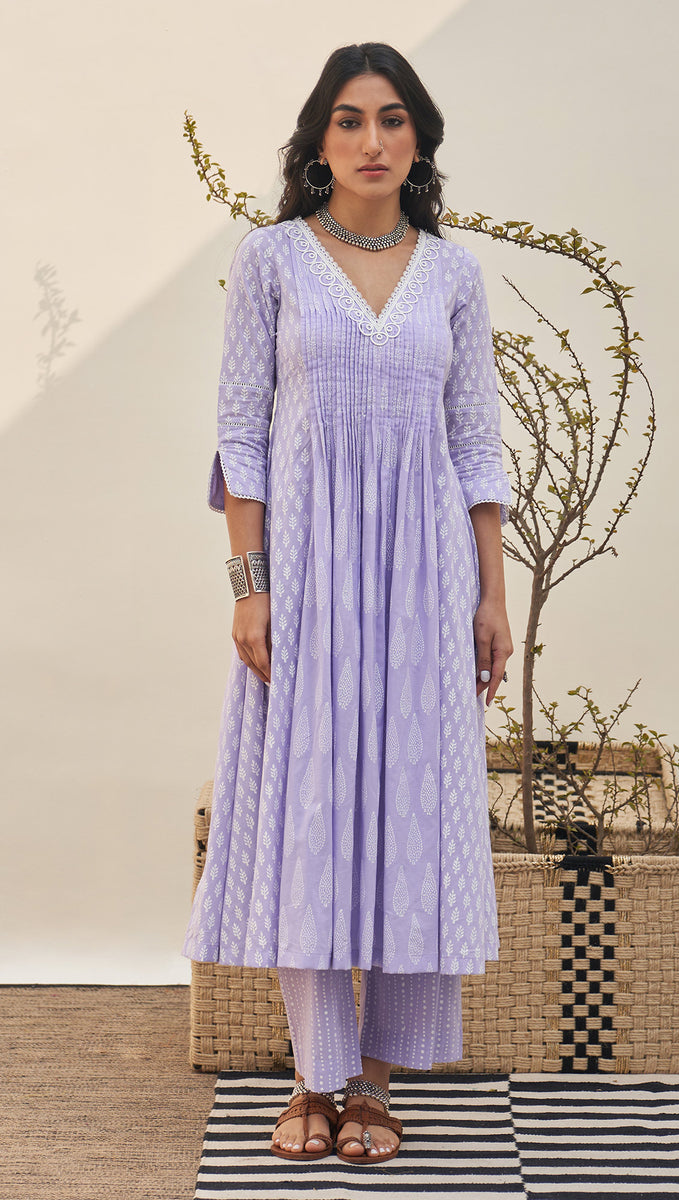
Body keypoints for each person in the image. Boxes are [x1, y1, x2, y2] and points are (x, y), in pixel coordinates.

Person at [182, 41, 513, 1165]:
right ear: (319, 141)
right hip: (310, 579)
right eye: (349, 120)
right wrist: (251, 588)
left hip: (426, 579)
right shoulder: (272, 258)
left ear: (419, 139)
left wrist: (492, 596)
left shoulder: (453, 275)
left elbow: (476, 444)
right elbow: (240, 436)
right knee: (311, 813)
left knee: (413, 812)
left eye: (393, 119)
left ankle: (373, 1082)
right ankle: (312, 1075)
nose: (373, 140)